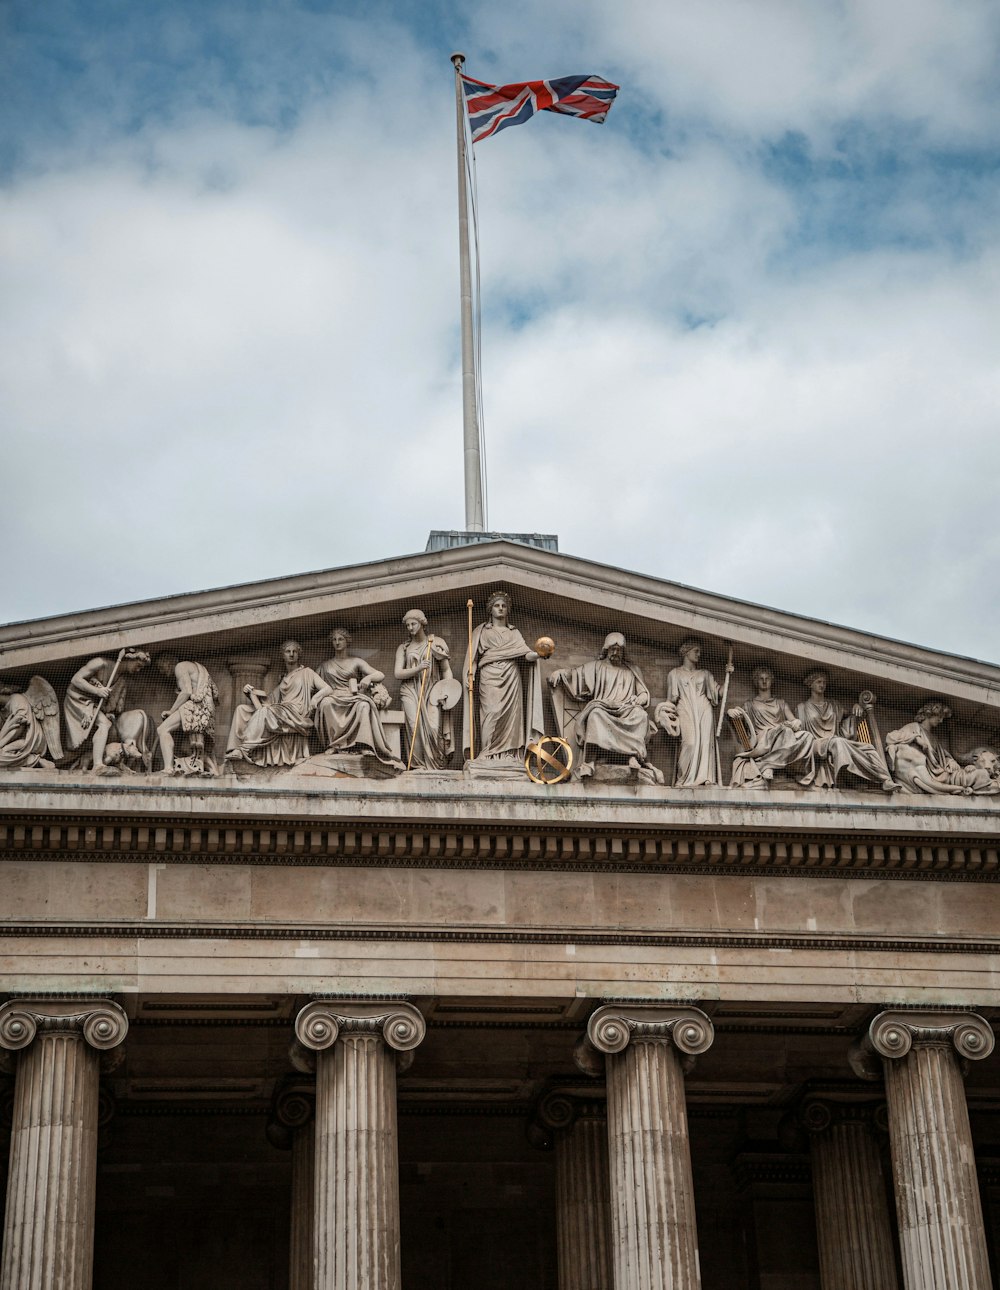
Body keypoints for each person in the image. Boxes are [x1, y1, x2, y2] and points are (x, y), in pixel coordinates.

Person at [549, 632, 659, 781]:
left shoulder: (632, 670)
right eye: (612, 649)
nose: (615, 652)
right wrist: (562, 673)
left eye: (619, 649)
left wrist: (639, 699)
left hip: (626, 709)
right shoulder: (597, 666)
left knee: (641, 716)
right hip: (604, 707)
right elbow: (577, 675)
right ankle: (589, 762)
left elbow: (643, 693)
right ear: (606, 650)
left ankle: (633, 757)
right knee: (595, 715)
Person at [463, 590, 543, 763]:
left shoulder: (513, 633)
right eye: (497, 606)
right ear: (490, 610)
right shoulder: (481, 631)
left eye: (504, 606)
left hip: (511, 676)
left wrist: (539, 654)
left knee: (511, 718)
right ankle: (487, 752)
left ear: (508, 610)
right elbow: (472, 658)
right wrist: (470, 674)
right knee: (491, 713)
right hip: (488, 676)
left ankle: (509, 755)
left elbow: (525, 654)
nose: (500, 609)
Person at [226, 640, 332, 768]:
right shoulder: (284, 678)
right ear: (283, 655)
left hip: (296, 712)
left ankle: (245, 748)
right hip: (282, 710)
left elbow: (327, 688)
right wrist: (250, 693)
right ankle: (234, 749)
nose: (291, 654)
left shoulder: (307, 673)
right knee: (241, 709)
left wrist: (315, 698)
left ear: (299, 654)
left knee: (266, 712)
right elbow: (269, 700)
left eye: (295, 651)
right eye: (288, 651)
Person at [315, 627, 403, 769]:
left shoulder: (356, 661)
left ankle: (363, 744)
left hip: (353, 695)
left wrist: (368, 678)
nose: (337, 642)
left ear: (347, 641)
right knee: (325, 703)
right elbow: (313, 683)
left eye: (340, 639)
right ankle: (335, 744)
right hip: (333, 695)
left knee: (364, 705)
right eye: (334, 640)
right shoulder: (325, 665)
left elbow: (380, 674)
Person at [796, 670, 898, 791]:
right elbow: (799, 733)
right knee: (838, 742)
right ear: (810, 684)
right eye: (818, 682)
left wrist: (857, 707)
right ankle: (848, 778)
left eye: (824, 682)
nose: (822, 685)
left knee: (868, 748)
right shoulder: (801, 708)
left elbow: (851, 716)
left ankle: (885, 780)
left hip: (835, 740)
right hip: (815, 744)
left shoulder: (834, 705)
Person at [63, 649, 152, 775]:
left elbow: (114, 706)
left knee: (107, 723)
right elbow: (76, 679)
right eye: (138, 666)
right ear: (128, 658)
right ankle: (98, 765)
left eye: (141, 668)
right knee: (104, 724)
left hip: (95, 705)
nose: (138, 670)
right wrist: (97, 691)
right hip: (78, 699)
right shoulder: (100, 663)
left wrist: (110, 712)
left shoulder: (122, 681)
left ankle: (97, 760)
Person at [729, 664, 817, 788]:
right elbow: (740, 717)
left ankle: (770, 765)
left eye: (767, 678)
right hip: (762, 738)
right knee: (785, 731)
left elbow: (793, 721)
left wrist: (796, 722)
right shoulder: (750, 704)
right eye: (761, 678)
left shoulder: (781, 703)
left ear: (772, 681)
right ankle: (771, 766)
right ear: (756, 682)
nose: (764, 681)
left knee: (807, 736)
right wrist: (731, 712)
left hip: (782, 736)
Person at [885, 701, 989, 795]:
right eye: (939, 717)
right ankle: (958, 788)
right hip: (927, 775)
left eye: (942, 718)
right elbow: (892, 737)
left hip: (942, 774)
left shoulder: (934, 738)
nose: (941, 720)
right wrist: (916, 738)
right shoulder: (914, 727)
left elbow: (942, 756)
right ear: (929, 714)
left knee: (980, 774)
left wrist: (951, 761)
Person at [394, 610, 454, 770]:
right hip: (410, 690)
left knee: (434, 728)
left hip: (433, 691)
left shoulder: (435, 643)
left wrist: (447, 690)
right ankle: (417, 766)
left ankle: (434, 765)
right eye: (407, 625)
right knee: (414, 727)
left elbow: (446, 670)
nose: (410, 628)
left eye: (413, 624)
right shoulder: (404, 648)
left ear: (422, 623)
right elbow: (397, 673)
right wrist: (418, 669)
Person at [660, 639, 720, 787]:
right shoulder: (674, 674)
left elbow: (718, 693)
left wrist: (729, 674)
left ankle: (705, 778)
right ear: (686, 652)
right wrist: (662, 713)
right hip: (684, 708)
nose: (699, 654)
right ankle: (684, 779)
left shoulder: (705, 674)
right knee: (690, 743)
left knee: (705, 743)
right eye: (696, 651)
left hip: (704, 709)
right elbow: (670, 699)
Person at [155, 654, 220, 776]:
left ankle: (168, 769)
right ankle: (214, 770)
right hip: (205, 709)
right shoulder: (193, 668)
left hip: (196, 706)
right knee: (192, 748)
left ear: (168, 661)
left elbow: (186, 692)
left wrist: (171, 711)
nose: (161, 671)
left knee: (162, 729)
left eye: (160, 666)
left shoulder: (180, 666)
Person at [0, 677, 61, 770]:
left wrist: (1, 743)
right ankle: (31, 760)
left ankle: (36, 759)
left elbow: (19, 729)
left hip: (28, 741)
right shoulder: (2, 710)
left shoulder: (17, 699)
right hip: (12, 742)